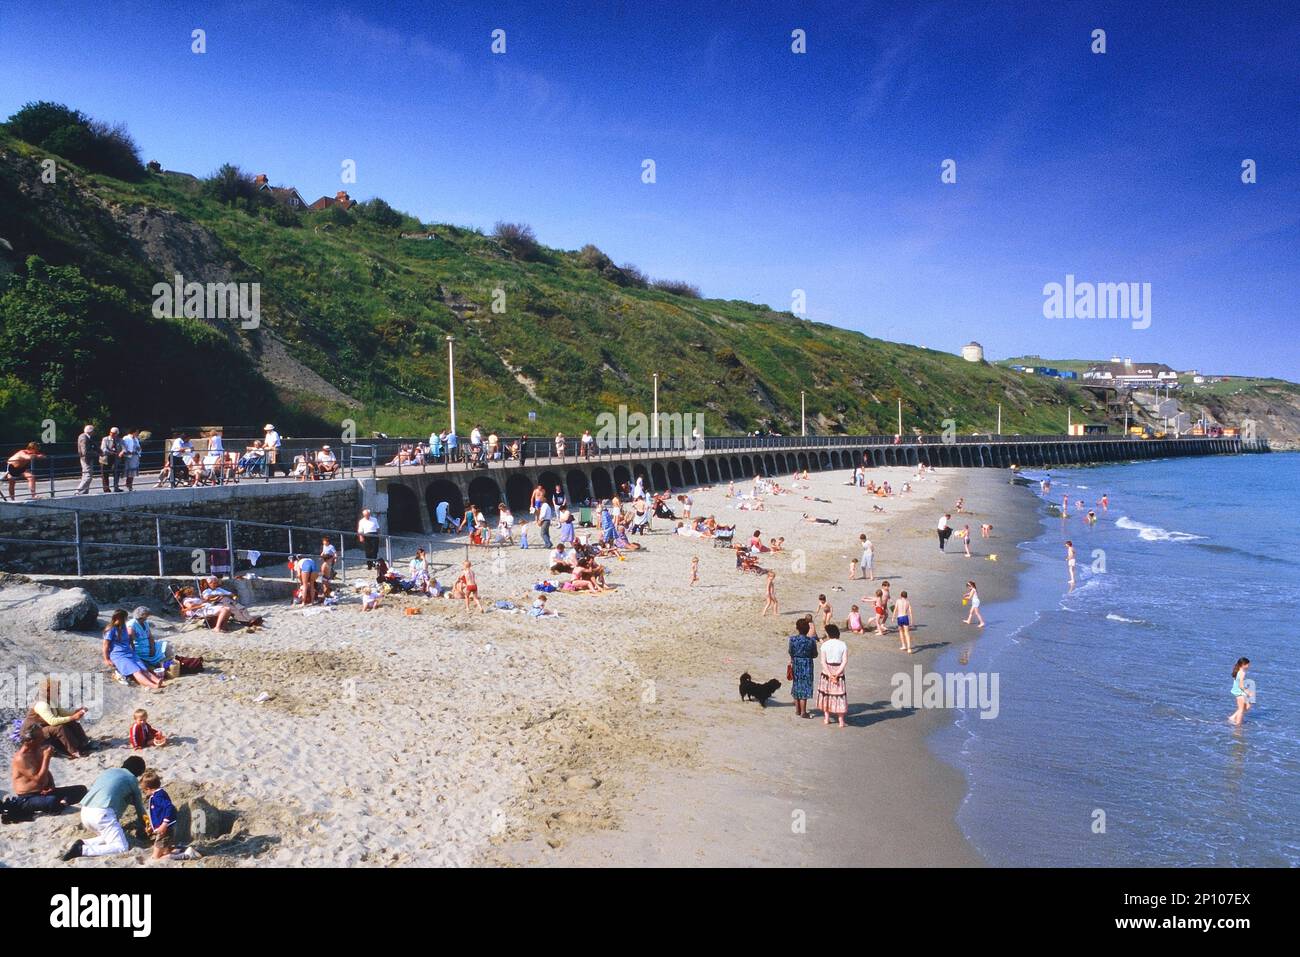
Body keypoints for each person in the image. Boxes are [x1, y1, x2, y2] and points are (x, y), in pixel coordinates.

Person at [61, 756, 148, 860]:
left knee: (109, 837)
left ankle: (83, 843)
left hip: (85, 812)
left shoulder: (109, 771)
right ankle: (82, 850)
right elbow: (139, 808)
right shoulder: (132, 779)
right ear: (138, 772)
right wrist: (145, 826)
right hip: (102, 814)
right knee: (122, 846)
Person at [6, 727, 88, 821]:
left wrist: (51, 785)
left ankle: (62, 802)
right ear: (30, 741)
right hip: (28, 796)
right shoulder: (21, 758)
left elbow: (46, 771)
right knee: (52, 801)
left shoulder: (38, 750)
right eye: (40, 737)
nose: (43, 739)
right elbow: (38, 778)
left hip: (44, 791)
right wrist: (46, 758)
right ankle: (61, 802)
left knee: (81, 789)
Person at [21, 677, 91, 758]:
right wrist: (73, 717)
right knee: (59, 727)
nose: (58, 693)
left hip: (44, 727)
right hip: (33, 733)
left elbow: (62, 713)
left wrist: (75, 713)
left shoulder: (52, 700)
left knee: (71, 721)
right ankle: (73, 751)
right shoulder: (41, 704)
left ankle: (84, 742)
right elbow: (52, 721)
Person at [103, 608, 163, 689]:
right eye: (125, 618)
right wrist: (107, 659)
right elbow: (106, 645)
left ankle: (157, 680)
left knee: (143, 669)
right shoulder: (111, 630)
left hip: (129, 652)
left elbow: (129, 639)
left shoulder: (123, 627)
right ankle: (153, 685)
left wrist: (133, 649)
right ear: (119, 618)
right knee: (136, 671)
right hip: (119, 655)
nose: (126, 620)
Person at [140, 770, 184, 860]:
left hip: (164, 830)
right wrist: (152, 827)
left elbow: (169, 807)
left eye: (144, 791)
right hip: (165, 828)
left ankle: (184, 856)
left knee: (156, 857)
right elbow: (158, 813)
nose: (144, 793)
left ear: (148, 789)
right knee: (165, 851)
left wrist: (164, 824)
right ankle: (180, 851)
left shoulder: (157, 797)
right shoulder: (161, 793)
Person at [816, 624, 848, 728]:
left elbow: (823, 662)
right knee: (839, 696)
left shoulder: (824, 645)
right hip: (839, 671)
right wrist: (837, 674)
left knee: (826, 694)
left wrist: (830, 675)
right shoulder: (843, 644)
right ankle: (841, 721)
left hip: (827, 671)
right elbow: (844, 661)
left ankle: (826, 718)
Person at [787, 618, 818, 719]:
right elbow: (815, 654)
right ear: (808, 629)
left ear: (797, 628)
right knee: (805, 686)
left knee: (796, 684)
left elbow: (790, 651)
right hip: (807, 664)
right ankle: (803, 712)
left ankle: (797, 710)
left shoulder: (792, 639)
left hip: (796, 662)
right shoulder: (811, 641)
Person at [1228, 657, 1253, 725]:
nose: (1249, 666)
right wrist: (1248, 692)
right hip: (1239, 692)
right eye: (1248, 665)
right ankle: (1238, 724)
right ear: (1243, 664)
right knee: (1241, 709)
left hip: (1237, 691)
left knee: (1248, 706)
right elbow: (1241, 686)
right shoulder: (1242, 673)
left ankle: (1232, 717)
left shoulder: (1237, 670)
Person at [74, 424, 96, 494]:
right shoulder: (84, 437)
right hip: (86, 459)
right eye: (93, 431)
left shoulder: (88, 437)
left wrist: (100, 451)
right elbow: (85, 452)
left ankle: (85, 491)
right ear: (91, 431)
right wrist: (96, 453)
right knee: (88, 476)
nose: (94, 432)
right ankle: (78, 491)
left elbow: (94, 445)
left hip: (87, 458)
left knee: (86, 475)